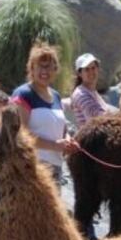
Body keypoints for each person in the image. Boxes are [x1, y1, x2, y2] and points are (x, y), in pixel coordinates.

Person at [10, 44, 77, 182]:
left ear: (55, 69)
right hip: (32, 167)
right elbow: (21, 135)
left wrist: (69, 141)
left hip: (56, 168)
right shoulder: (23, 95)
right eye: (40, 66)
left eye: (49, 66)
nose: (45, 70)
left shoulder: (56, 96)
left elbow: (62, 129)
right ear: (32, 68)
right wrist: (55, 145)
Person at [71, 52, 117, 125]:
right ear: (79, 74)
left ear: (98, 69)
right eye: (87, 69)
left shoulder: (93, 93)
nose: (91, 72)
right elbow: (97, 121)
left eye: (93, 68)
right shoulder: (81, 94)